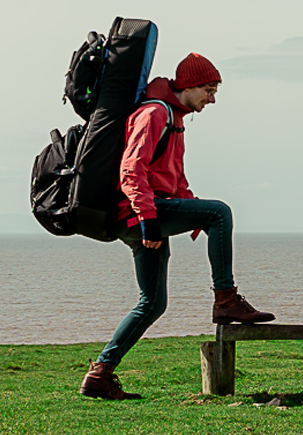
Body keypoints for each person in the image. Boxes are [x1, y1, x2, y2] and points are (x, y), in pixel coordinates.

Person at [82, 52, 274, 399]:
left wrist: (192, 210)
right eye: (209, 89)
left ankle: (100, 374)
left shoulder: (174, 118)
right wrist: (150, 222)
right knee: (221, 211)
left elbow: (171, 178)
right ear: (188, 85)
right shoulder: (155, 113)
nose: (212, 99)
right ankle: (226, 299)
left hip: (147, 213)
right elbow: (132, 171)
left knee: (152, 303)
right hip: (138, 214)